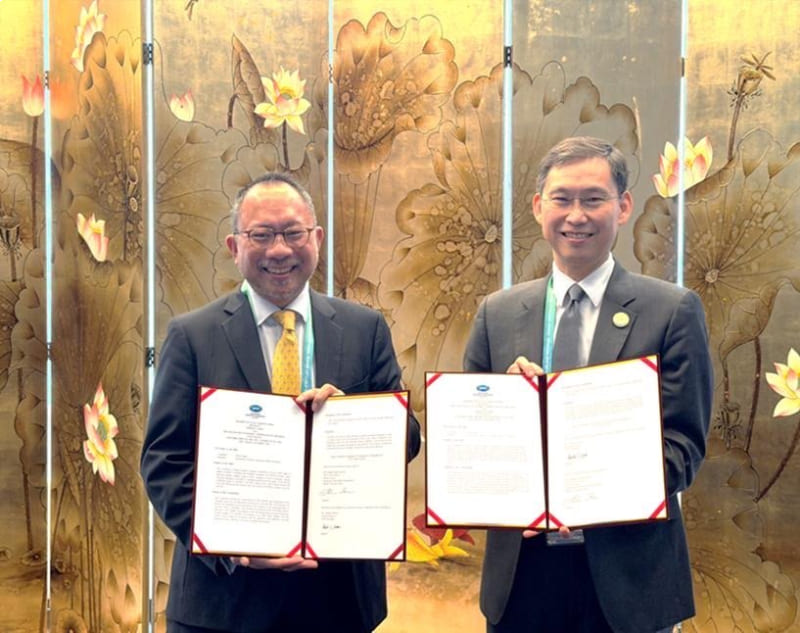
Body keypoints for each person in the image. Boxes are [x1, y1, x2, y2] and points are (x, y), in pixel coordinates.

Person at [141, 172, 421, 633]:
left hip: (339, 598)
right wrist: (228, 545)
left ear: (317, 238)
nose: (279, 250)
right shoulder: (192, 336)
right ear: (234, 247)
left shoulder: (364, 329)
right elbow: (163, 461)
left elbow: (405, 439)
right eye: (261, 235)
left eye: (293, 233)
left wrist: (354, 415)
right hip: (223, 603)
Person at [464, 137, 713, 633]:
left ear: (622, 207)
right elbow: (470, 441)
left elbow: (683, 449)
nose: (576, 214)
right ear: (538, 208)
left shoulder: (672, 311)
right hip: (523, 577)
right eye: (561, 198)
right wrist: (509, 412)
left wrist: (583, 478)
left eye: (593, 199)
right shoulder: (498, 313)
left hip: (627, 580)